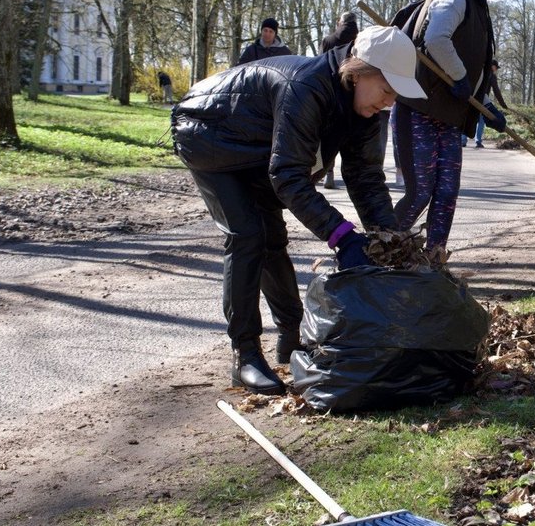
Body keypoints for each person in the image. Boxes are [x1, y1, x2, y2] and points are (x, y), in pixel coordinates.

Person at [170, 26, 425, 395]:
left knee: (273, 237)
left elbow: (366, 177)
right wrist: (341, 237)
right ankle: (244, 357)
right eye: (386, 90)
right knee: (248, 235)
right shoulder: (307, 87)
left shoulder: (366, 111)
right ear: (357, 71)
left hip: (256, 140)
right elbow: (288, 176)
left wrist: (389, 242)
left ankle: (291, 337)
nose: (388, 103)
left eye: (395, 96)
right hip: (208, 132)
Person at [393, 0, 513, 254]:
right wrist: (458, 76)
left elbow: (472, 69)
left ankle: (435, 260)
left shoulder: (476, 5)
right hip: (418, 110)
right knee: (419, 192)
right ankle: (376, 252)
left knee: (447, 192)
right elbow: (435, 39)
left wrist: (486, 106)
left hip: (448, 117)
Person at [319, 12, 362, 190]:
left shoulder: (328, 40)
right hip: (354, 92)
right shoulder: (361, 40)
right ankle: (356, 175)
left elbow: (320, 64)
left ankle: (328, 172)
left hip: (331, 92)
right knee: (354, 136)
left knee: (329, 135)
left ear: (340, 23)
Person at [463, 60, 508, 148]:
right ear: (493, 66)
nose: (496, 70)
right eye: (496, 68)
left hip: (471, 97)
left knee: (468, 118)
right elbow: (496, 91)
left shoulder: (478, 70)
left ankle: (463, 140)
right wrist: (502, 104)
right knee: (481, 121)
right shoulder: (491, 75)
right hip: (482, 100)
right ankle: (478, 141)